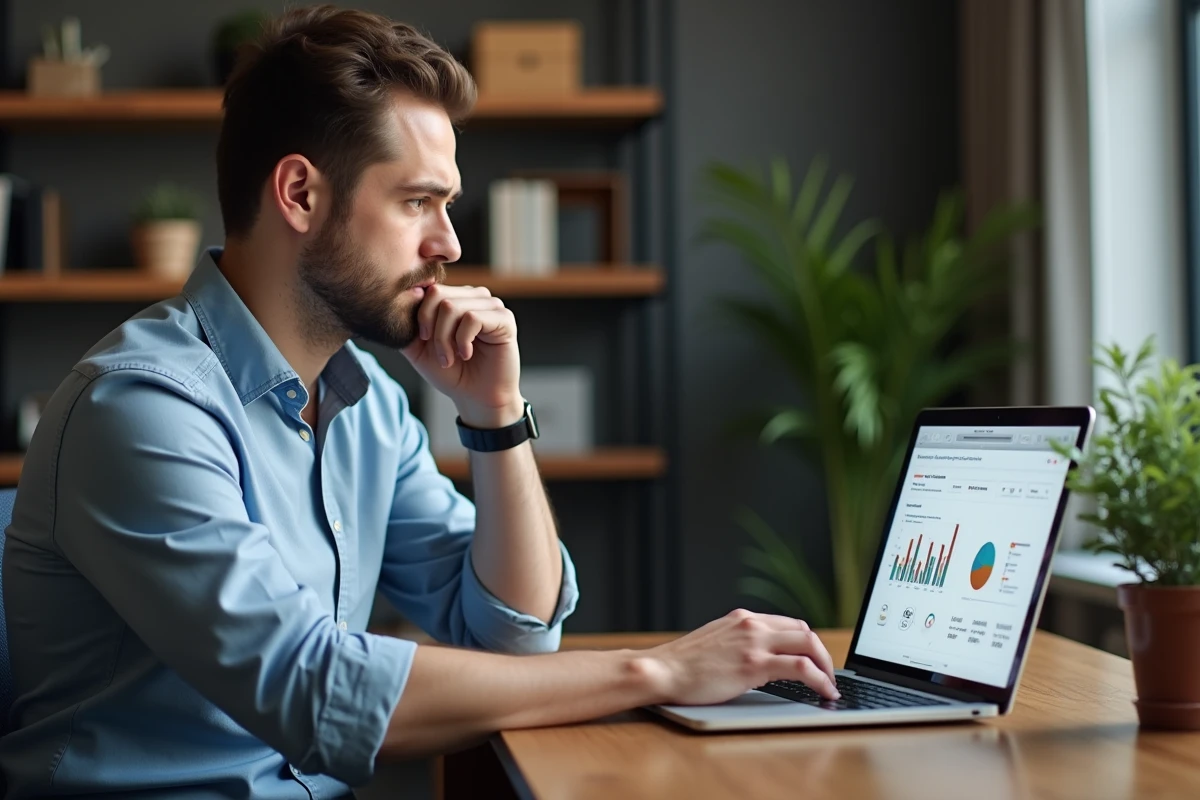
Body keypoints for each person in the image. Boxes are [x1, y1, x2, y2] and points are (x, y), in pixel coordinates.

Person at [0, 5, 839, 798]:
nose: (451, 243)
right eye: (418, 202)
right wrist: (658, 671)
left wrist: (495, 418)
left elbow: (511, 634)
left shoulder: (366, 408)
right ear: (299, 195)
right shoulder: (142, 410)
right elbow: (313, 689)